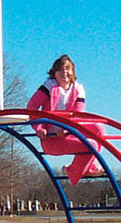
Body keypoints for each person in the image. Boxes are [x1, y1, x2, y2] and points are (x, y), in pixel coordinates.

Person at [26, 54, 106, 184]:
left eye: (68, 69)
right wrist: (39, 128)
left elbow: (79, 115)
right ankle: (76, 170)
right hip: (51, 139)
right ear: (54, 73)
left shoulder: (78, 88)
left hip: (69, 133)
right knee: (91, 145)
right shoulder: (49, 86)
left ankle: (84, 167)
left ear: (72, 72)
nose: (64, 73)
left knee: (99, 129)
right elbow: (32, 107)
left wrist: (67, 130)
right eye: (60, 69)